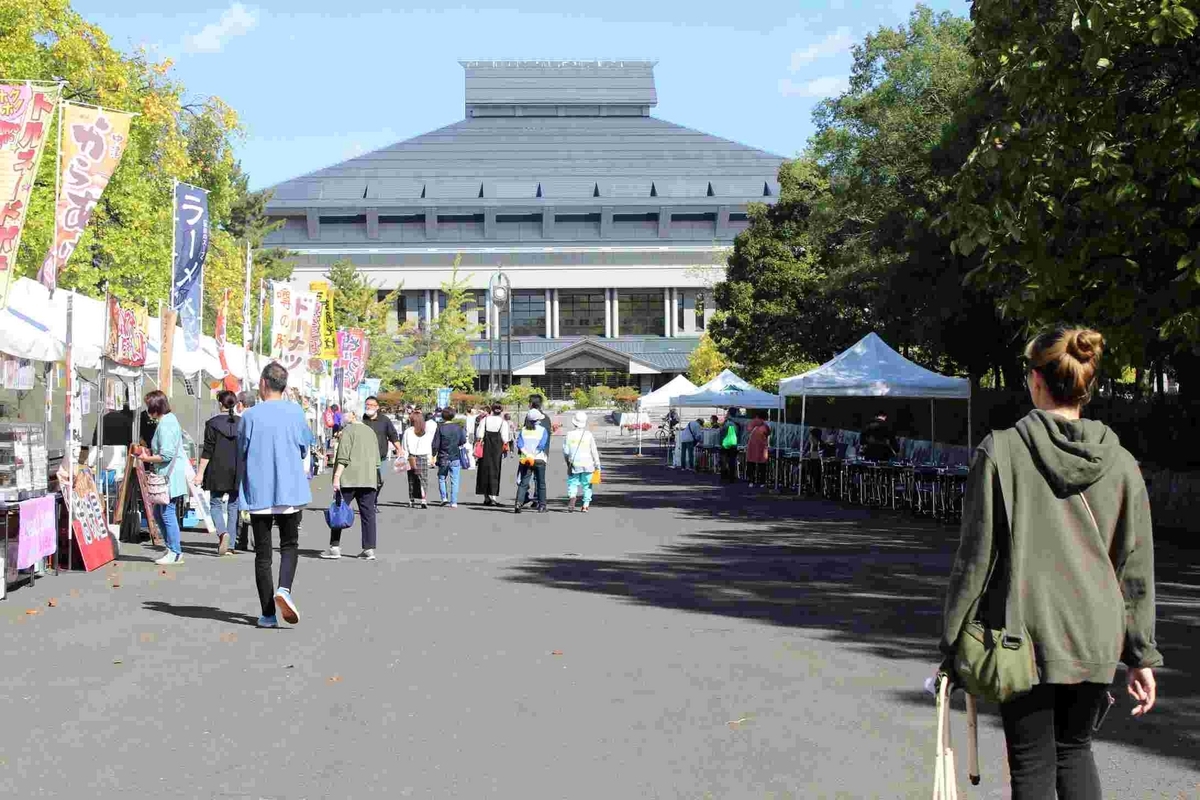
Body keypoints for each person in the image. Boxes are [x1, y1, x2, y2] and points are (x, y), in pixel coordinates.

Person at [939, 327, 1160, 799]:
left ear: (1036, 380)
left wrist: (952, 642)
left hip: (1025, 635)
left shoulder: (999, 451)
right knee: (1075, 752)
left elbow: (975, 559)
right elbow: (1135, 567)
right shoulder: (1121, 463)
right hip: (1096, 636)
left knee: (1032, 762)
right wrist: (1141, 655)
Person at [238, 362, 312, 629]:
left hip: (259, 492)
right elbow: (305, 447)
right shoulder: (296, 413)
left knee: (263, 554)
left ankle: (268, 614)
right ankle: (284, 589)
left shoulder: (249, 416)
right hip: (289, 490)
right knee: (290, 544)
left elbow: (242, 452)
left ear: (263, 383)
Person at [137, 390, 187, 566]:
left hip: (168, 477)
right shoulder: (171, 419)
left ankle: (174, 551)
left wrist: (146, 458)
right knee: (160, 513)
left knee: (166, 513)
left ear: (154, 407)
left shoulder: (165, 424)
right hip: (172, 475)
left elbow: (165, 455)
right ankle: (172, 549)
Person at [321, 412, 380, 560]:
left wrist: (336, 477)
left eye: (345, 413)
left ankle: (335, 547)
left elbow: (343, 456)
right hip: (368, 478)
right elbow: (377, 460)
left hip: (349, 478)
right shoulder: (370, 431)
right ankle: (369, 549)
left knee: (338, 511)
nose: (342, 416)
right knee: (368, 514)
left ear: (353, 415)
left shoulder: (348, 430)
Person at [193, 390, 242, 557]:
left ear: (220, 403)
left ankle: (222, 533)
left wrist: (199, 473)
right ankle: (231, 544)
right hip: (237, 469)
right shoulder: (242, 423)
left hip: (217, 469)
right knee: (234, 505)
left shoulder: (212, 423)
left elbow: (207, 450)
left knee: (215, 503)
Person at [562, 410, 601, 512]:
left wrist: (568, 462)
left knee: (573, 483)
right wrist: (597, 464)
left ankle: (572, 497)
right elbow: (594, 451)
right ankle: (585, 505)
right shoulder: (589, 435)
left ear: (574, 422)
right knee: (587, 485)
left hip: (574, 464)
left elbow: (566, 451)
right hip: (588, 464)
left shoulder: (569, 435)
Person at [513, 410, 550, 514]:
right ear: (538, 420)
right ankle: (542, 505)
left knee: (523, 482)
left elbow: (519, 444)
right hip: (539, 459)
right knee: (540, 482)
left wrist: (528, 454)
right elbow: (542, 445)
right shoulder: (542, 430)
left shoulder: (523, 430)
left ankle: (518, 503)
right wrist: (533, 454)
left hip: (526, 460)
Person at [361, 395, 399, 492]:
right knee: (367, 483)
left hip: (381, 456)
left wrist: (399, 449)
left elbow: (393, 435)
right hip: (365, 457)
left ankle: (373, 500)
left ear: (377, 407)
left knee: (380, 480)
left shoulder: (384, 420)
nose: (369, 407)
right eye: (367, 405)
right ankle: (370, 504)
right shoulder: (361, 420)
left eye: (372, 405)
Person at [475, 404, 510, 506]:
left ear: (492, 410)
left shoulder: (485, 420)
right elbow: (505, 438)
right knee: (495, 470)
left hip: (485, 445)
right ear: (501, 411)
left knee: (483, 470)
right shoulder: (503, 422)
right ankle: (494, 497)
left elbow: (479, 434)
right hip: (497, 447)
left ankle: (486, 497)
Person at [431, 408, 466, 508]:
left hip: (443, 457)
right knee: (455, 480)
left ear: (442, 416)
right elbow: (462, 440)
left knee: (442, 478)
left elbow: (435, 444)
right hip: (455, 456)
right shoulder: (458, 427)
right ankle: (454, 502)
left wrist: (433, 455)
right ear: (453, 416)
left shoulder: (440, 428)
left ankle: (444, 498)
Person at [401, 410, 434, 509]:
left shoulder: (408, 431)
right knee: (423, 479)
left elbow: (404, 446)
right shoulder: (426, 432)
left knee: (411, 479)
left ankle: (411, 500)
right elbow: (429, 446)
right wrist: (430, 458)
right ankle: (424, 500)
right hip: (423, 457)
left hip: (411, 457)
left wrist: (404, 458)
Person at [745, 410, 771, 488]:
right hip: (762, 448)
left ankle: (751, 481)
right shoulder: (765, 425)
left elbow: (748, 430)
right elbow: (768, 433)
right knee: (762, 466)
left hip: (752, 447)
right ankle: (762, 482)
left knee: (751, 464)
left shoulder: (752, 423)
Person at [718, 407, 740, 483]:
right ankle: (732, 477)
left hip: (725, 444)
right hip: (733, 444)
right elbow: (737, 434)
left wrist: (721, 442)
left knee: (724, 461)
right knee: (732, 461)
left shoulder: (727, 422)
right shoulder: (736, 423)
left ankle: (724, 477)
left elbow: (722, 433)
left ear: (729, 413)